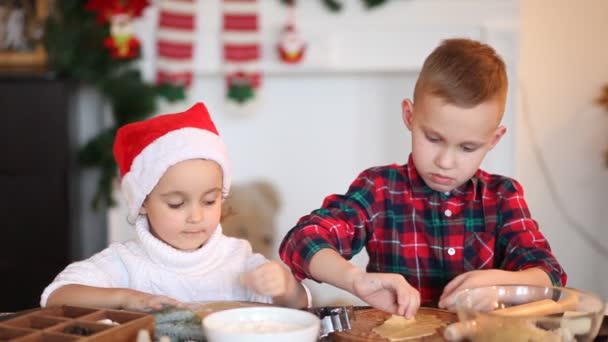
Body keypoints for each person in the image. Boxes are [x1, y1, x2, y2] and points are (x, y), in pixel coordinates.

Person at [279, 38, 566, 318]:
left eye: (467, 147)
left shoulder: (503, 196)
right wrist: (354, 279)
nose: (445, 161)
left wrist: (501, 285)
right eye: (433, 138)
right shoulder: (380, 189)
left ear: (494, 139)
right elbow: (302, 240)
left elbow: (549, 275)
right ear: (409, 116)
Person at [42, 102, 309, 311]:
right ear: (143, 202)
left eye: (209, 200)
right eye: (176, 203)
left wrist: (285, 287)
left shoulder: (238, 258)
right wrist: (127, 297)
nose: (196, 216)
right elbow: (57, 296)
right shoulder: (124, 264)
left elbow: (299, 306)